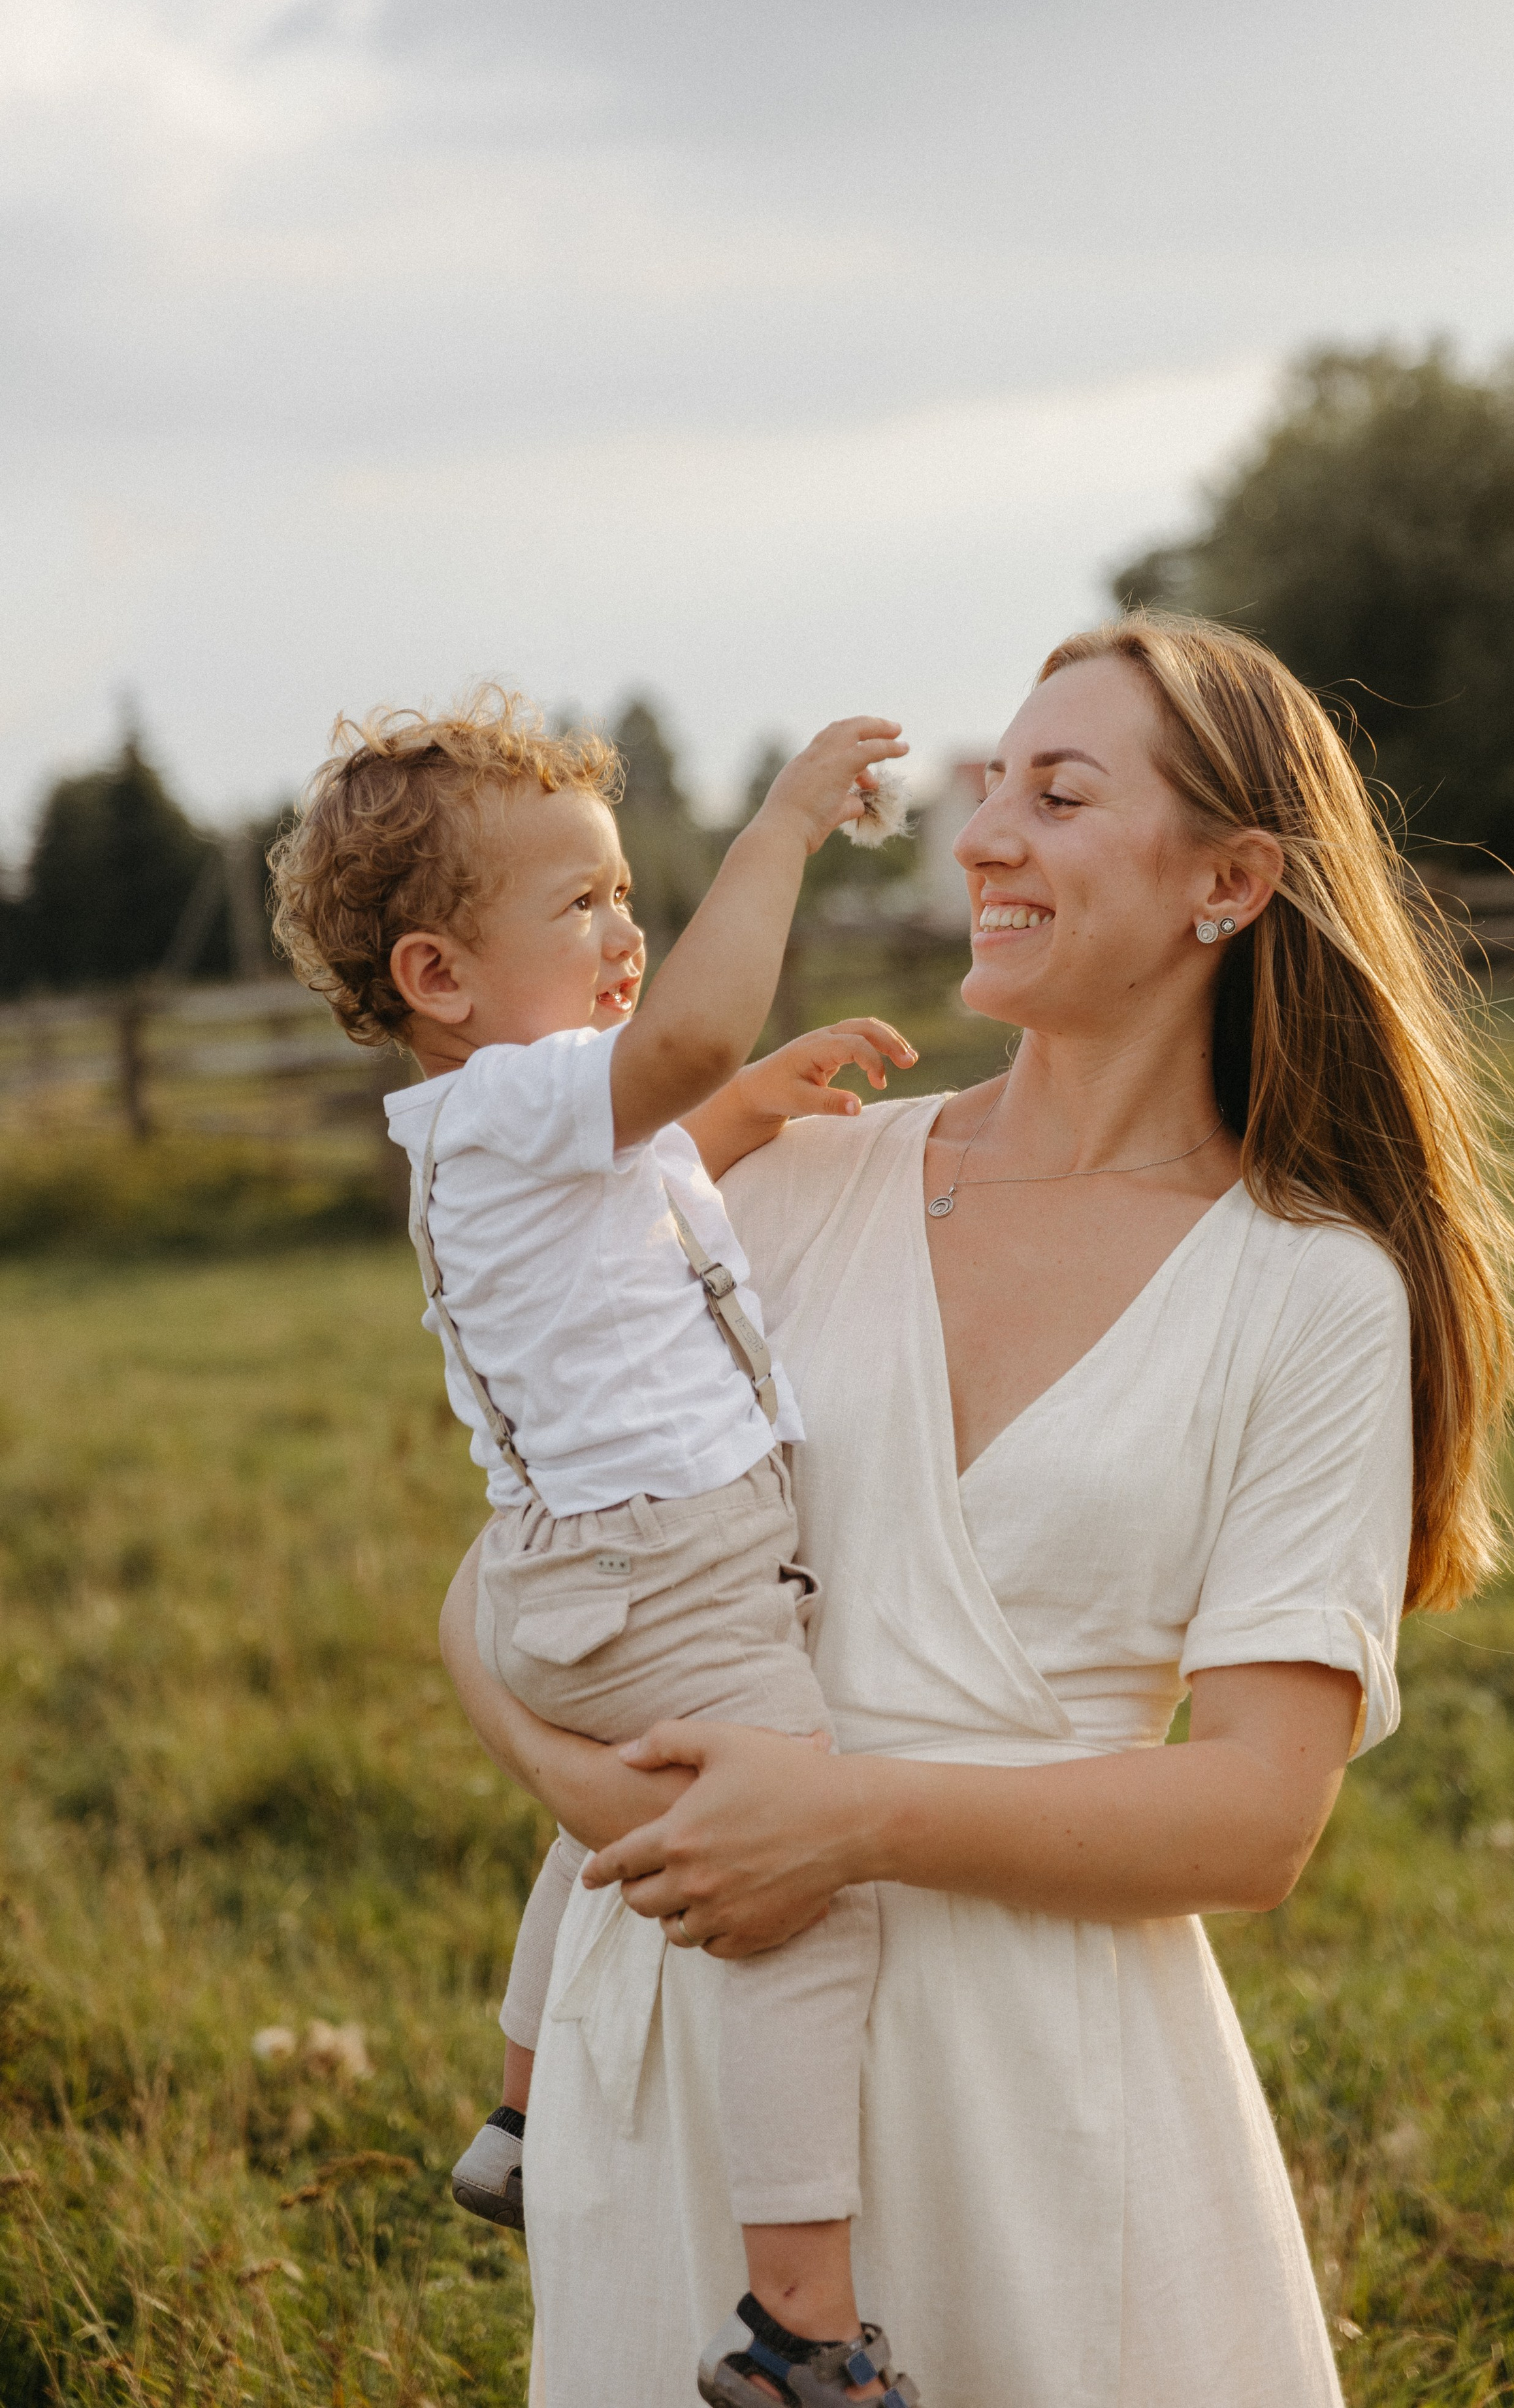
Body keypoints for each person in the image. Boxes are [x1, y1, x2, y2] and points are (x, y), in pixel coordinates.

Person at [442, 614, 1514, 2407]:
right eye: (989, 783)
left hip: (1035, 2086)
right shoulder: (778, 1179)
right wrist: (609, 1810)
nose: (985, 834)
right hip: (695, 2027)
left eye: (1060, 790)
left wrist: (839, 1820)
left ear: (1232, 881)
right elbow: (499, 1581)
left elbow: (1258, 1816)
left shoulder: (1312, 1289)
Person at [269, 687, 930, 2408]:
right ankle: (801, 2329)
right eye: (582, 904)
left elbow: (646, 1175)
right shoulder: (518, 1099)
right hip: (674, 1563)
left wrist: (748, 1112)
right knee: (801, 1908)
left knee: (621, 1802)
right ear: (441, 979)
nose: (631, 925)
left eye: (631, 889)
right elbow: (684, 1051)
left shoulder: (500, 1131)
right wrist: (779, 828)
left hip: (591, 1571)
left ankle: (522, 2106)